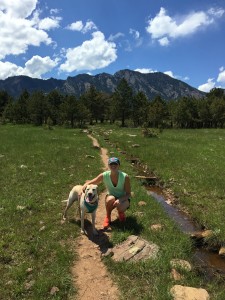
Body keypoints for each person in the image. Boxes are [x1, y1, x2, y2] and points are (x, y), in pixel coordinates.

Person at [81, 157, 131, 229]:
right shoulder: (104, 175)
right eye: (111, 164)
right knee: (110, 199)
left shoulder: (125, 176)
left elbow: (128, 194)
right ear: (108, 165)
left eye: (115, 164)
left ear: (119, 165)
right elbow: (92, 181)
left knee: (121, 206)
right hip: (111, 196)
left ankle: (121, 212)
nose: (113, 166)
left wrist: (120, 200)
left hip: (123, 198)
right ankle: (108, 216)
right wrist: (84, 186)